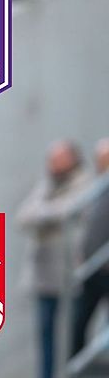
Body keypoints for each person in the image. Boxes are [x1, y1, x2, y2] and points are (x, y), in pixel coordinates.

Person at [16, 140, 91, 378]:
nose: (53, 164)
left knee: (74, 330)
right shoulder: (46, 185)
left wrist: (44, 214)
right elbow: (24, 215)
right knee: (46, 331)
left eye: (59, 159)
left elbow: (68, 211)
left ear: (72, 160)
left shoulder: (84, 183)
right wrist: (48, 213)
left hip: (71, 272)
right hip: (43, 272)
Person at [72, 138, 109, 357]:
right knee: (78, 325)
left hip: (105, 268)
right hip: (92, 270)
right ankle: (75, 370)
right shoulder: (95, 188)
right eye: (101, 160)